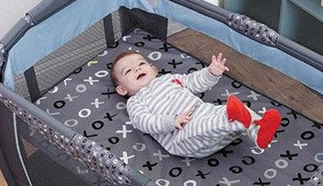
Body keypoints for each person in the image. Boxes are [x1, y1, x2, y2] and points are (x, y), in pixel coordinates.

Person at [111, 50, 281, 158]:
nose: (137, 69)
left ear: (154, 70)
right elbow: (145, 122)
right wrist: (171, 121)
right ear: (122, 90)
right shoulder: (135, 102)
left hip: (204, 115)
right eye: (128, 71)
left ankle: (258, 130)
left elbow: (194, 81)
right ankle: (234, 119)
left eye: (141, 64)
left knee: (228, 111)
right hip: (182, 136)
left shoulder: (169, 79)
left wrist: (211, 73)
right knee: (216, 120)